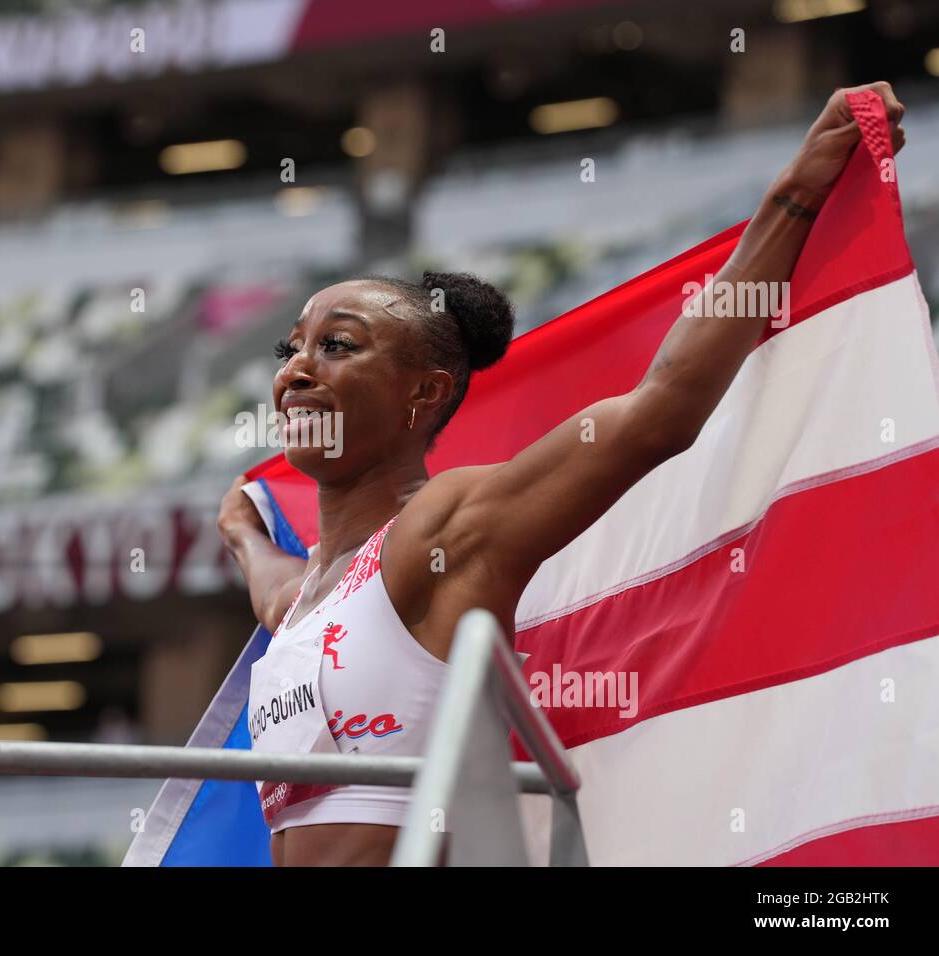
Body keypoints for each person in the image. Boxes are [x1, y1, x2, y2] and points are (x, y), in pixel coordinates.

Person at [218, 83, 906, 866]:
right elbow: (272, 588)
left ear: (425, 393)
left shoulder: (446, 529)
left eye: (336, 346)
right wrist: (242, 528)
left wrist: (792, 195)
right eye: (290, 350)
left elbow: (660, 413)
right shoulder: (308, 597)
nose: (297, 370)